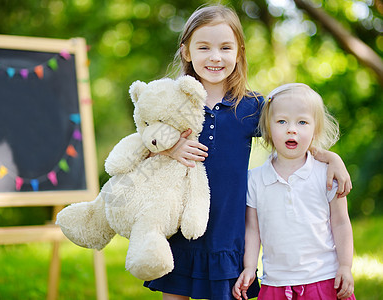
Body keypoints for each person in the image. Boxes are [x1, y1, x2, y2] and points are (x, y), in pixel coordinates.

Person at [144, 4, 352, 300]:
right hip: (180, 227)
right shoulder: (173, 102)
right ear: (186, 52)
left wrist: (333, 158)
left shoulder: (251, 106)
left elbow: (288, 133)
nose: (215, 57)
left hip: (227, 233)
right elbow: (146, 141)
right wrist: (173, 146)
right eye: (204, 47)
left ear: (239, 52)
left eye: (225, 48)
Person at [233, 83, 355, 300]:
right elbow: (253, 229)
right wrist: (250, 267)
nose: (292, 129)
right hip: (276, 282)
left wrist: (345, 266)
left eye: (302, 122)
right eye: (281, 121)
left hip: (323, 278)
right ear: (268, 129)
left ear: (315, 129)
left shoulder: (327, 174)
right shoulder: (255, 179)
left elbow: (341, 222)